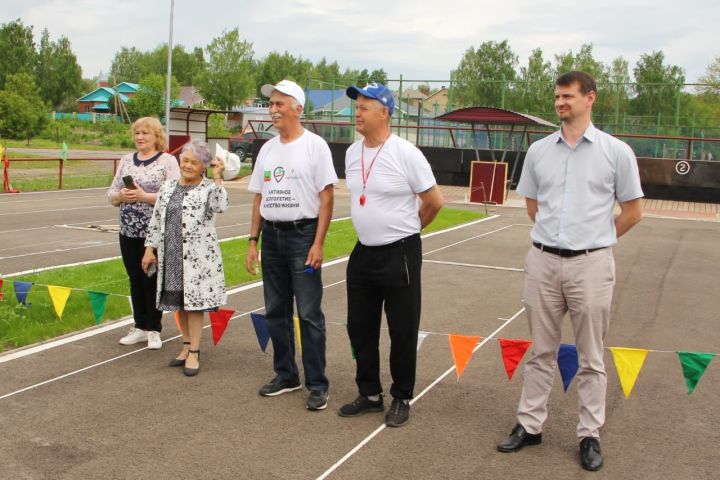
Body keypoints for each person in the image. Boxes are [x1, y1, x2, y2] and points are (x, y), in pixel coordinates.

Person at [496, 71, 643, 471]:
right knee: (540, 351)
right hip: (543, 261)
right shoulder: (541, 150)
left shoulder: (616, 152)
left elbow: (633, 211)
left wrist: (597, 240)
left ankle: (589, 435)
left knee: (591, 356)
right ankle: (530, 425)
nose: (560, 103)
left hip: (592, 264)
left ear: (589, 98)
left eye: (568, 96)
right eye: (557, 97)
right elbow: (532, 204)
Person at [338, 83, 443, 427]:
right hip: (363, 251)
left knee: (402, 329)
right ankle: (369, 393)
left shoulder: (406, 153)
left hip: (400, 252)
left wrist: (408, 232)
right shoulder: (353, 153)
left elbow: (433, 202)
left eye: (364, 106)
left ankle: (401, 396)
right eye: (356, 106)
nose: (357, 112)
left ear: (384, 112)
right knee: (360, 328)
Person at [245, 79, 338, 410]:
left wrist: (319, 243)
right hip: (272, 238)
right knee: (275, 311)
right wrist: (253, 241)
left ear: (298, 108)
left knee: (310, 313)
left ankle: (317, 383)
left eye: (280, 104)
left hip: (303, 237)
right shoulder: (268, 149)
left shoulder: (315, 146)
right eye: (271, 104)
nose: (273, 110)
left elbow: (327, 198)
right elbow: (258, 198)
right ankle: (286, 374)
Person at [142, 141, 228, 377]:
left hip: (197, 259)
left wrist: (219, 178)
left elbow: (220, 207)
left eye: (194, 162)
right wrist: (150, 248)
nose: (188, 166)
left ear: (203, 166)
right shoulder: (168, 187)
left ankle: (195, 353)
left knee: (194, 305)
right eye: (185, 161)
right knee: (179, 303)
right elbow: (157, 220)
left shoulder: (209, 187)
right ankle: (186, 346)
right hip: (171, 254)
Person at [108, 117, 180, 350]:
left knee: (151, 278)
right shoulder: (126, 160)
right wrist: (121, 196)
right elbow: (111, 194)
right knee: (134, 278)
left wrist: (144, 197)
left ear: (156, 136)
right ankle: (139, 325)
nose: (140, 137)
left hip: (155, 232)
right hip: (128, 229)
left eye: (145, 133)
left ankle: (154, 328)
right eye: (137, 133)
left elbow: (175, 197)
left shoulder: (167, 161)